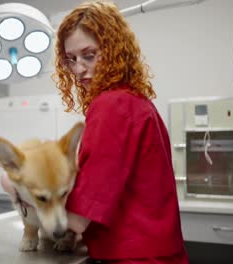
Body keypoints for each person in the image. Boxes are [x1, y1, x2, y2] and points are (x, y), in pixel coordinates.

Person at [52, 1, 189, 263]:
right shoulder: (135, 99)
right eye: (71, 59)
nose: (79, 69)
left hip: (135, 256)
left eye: (89, 55)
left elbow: (80, 218)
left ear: (114, 49)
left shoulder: (112, 105)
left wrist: (27, 193)